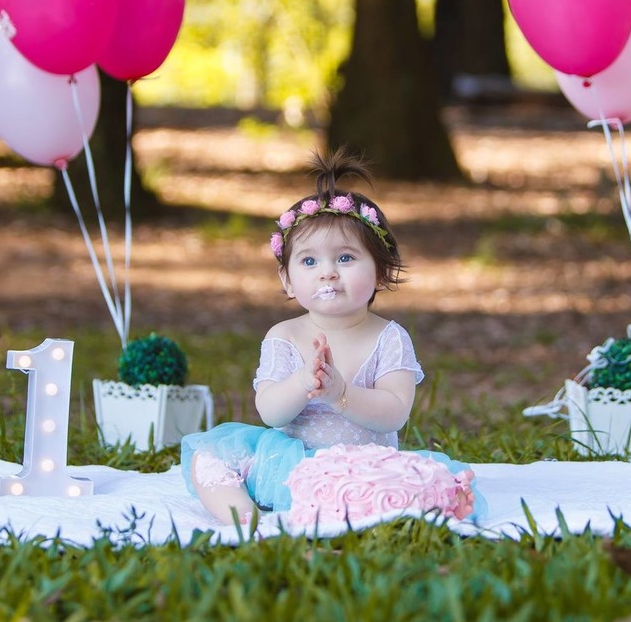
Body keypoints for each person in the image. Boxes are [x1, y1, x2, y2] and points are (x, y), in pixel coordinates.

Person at [180, 149, 482, 525]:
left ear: (381, 273)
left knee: (414, 479)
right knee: (207, 458)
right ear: (287, 280)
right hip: (289, 467)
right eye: (309, 261)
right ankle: (245, 519)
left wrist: (341, 392)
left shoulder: (388, 337)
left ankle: (414, 502)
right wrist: (304, 380)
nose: (327, 273)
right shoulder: (285, 336)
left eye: (345, 258)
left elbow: (394, 413)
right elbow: (270, 413)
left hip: (365, 468)